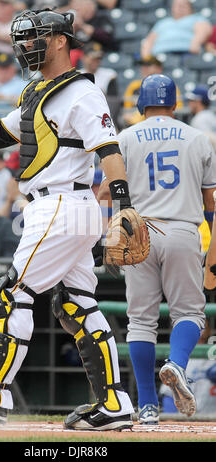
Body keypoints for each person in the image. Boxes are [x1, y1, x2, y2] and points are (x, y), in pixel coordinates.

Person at [0, 8, 138, 430]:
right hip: (61, 208)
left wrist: (123, 205)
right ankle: (115, 403)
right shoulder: (37, 90)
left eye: (36, 38)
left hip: (63, 205)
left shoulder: (82, 92)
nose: (27, 46)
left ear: (61, 40)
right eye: (24, 39)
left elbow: (109, 151)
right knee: (76, 303)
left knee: (11, 293)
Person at [98, 74, 216, 424]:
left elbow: (105, 191)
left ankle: (147, 406)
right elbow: (211, 200)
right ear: (175, 103)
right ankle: (176, 364)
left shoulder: (126, 137)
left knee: (141, 323)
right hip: (182, 229)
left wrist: (107, 230)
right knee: (191, 314)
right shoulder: (198, 137)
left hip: (139, 231)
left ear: (141, 103)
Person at [122, 55, 183, 127]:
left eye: (148, 65)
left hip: (163, 124)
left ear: (159, 68)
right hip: (137, 125)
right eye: (143, 65)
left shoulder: (169, 85)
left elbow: (178, 110)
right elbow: (127, 110)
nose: (144, 68)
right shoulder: (134, 86)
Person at [141, 0, 213, 58]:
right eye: (177, 5)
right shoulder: (163, 23)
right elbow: (149, 41)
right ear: (172, 7)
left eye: (183, 5)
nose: (180, 8)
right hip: (159, 55)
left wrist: (196, 43)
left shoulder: (196, 18)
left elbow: (204, 30)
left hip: (185, 53)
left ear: (190, 7)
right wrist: (147, 58)